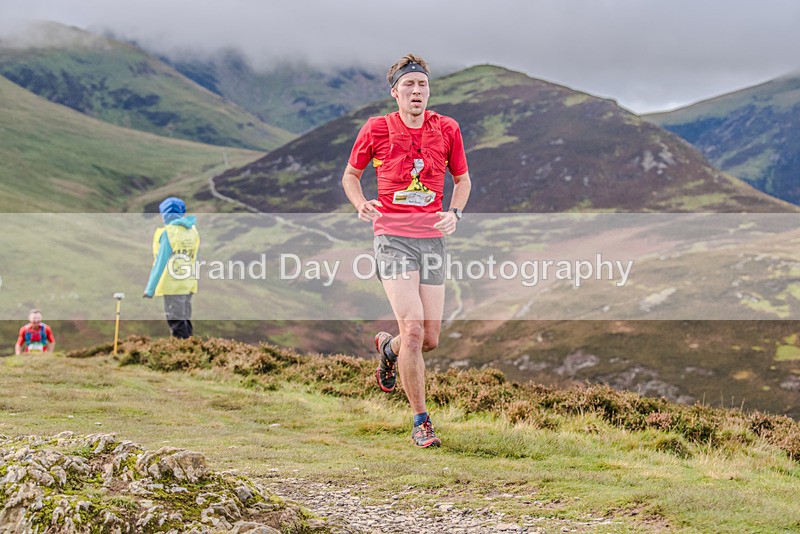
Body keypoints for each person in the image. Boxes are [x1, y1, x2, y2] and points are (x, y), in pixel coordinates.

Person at [341, 54, 472, 448]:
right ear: (395, 92)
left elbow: (462, 180)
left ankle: (387, 348)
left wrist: (455, 213)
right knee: (412, 327)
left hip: (431, 239)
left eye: (423, 85)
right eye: (409, 86)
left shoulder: (447, 128)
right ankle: (421, 421)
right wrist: (360, 202)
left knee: (427, 339)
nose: (417, 92)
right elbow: (351, 175)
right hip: (392, 237)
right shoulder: (377, 128)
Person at [143, 197, 200, 339]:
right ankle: (191, 351)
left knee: (177, 323)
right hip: (188, 283)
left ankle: (182, 354)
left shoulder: (168, 234)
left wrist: (150, 289)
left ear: (165, 214)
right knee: (185, 319)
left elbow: (160, 263)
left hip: (172, 285)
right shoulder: (192, 231)